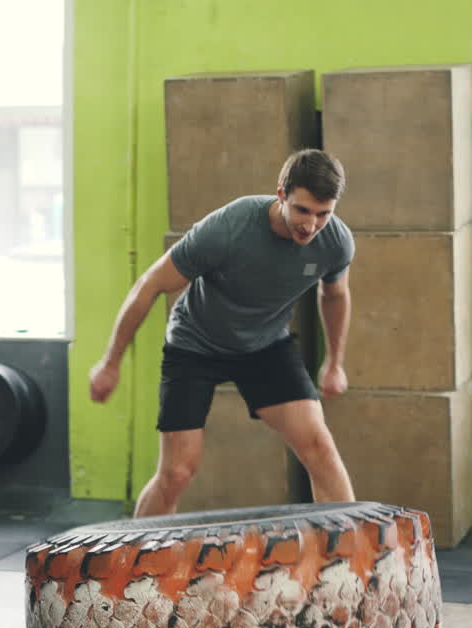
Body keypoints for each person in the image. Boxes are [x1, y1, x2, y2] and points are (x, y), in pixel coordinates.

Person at [89, 149, 358, 517]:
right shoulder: (229, 228)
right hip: (194, 345)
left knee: (320, 448)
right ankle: (142, 565)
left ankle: (352, 563)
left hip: (265, 346)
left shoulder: (335, 242)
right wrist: (110, 362)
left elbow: (335, 294)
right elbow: (149, 285)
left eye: (323, 214)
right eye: (302, 211)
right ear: (281, 194)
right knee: (177, 472)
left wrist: (335, 362)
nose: (310, 225)